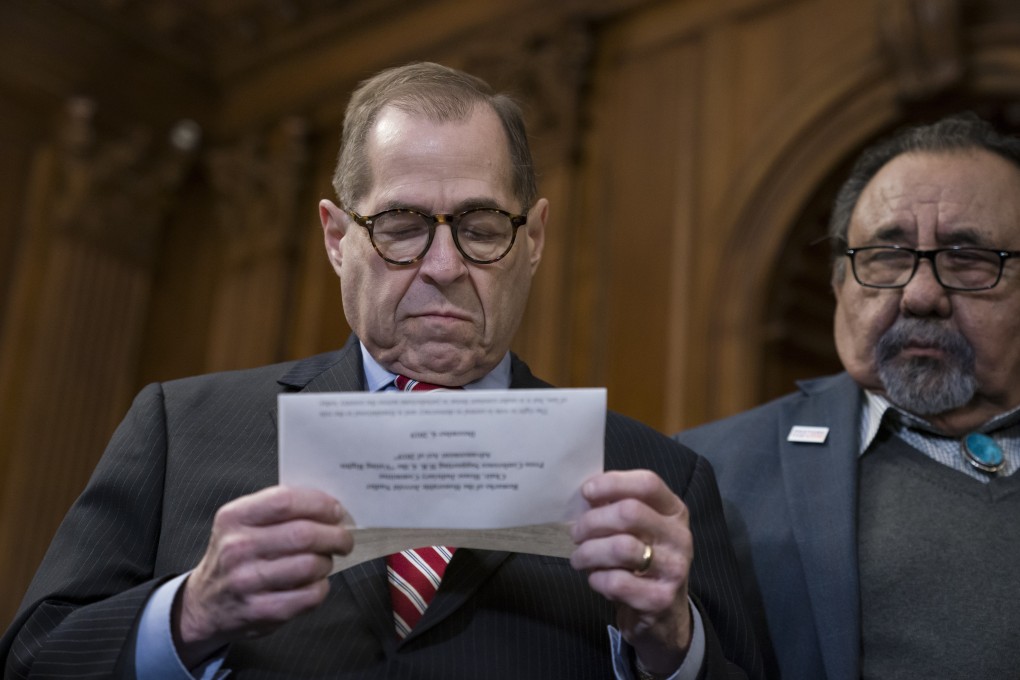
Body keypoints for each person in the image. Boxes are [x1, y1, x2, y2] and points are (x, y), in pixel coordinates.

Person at [1, 62, 762, 680]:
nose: (443, 266)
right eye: (400, 226)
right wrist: (190, 614)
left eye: (481, 227)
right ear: (337, 239)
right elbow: (35, 660)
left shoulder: (660, 479)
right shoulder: (180, 427)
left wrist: (674, 646)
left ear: (533, 239)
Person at [675, 112, 1020, 680]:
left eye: (969, 259)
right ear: (839, 285)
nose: (921, 294)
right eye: (887, 258)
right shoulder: (708, 473)